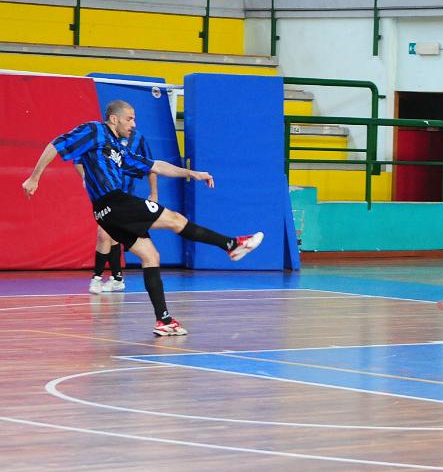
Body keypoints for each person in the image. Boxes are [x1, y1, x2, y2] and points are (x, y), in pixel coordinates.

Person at [22, 100, 263, 336]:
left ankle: (164, 320)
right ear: (114, 119)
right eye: (129, 119)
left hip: (105, 214)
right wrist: (34, 178)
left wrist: (191, 173)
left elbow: (155, 166)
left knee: (151, 256)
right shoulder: (95, 130)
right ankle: (231, 245)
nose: (133, 124)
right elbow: (56, 144)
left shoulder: (120, 150)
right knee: (176, 220)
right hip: (115, 202)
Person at [77, 126, 157, 294]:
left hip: (125, 195)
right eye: (129, 118)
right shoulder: (100, 136)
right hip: (106, 193)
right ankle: (112, 278)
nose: (132, 123)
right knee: (106, 233)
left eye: (133, 118)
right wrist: (85, 176)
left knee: (109, 234)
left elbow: (151, 166)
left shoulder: (138, 138)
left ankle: (103, 278)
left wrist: (154, 193)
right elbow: (78, 158)